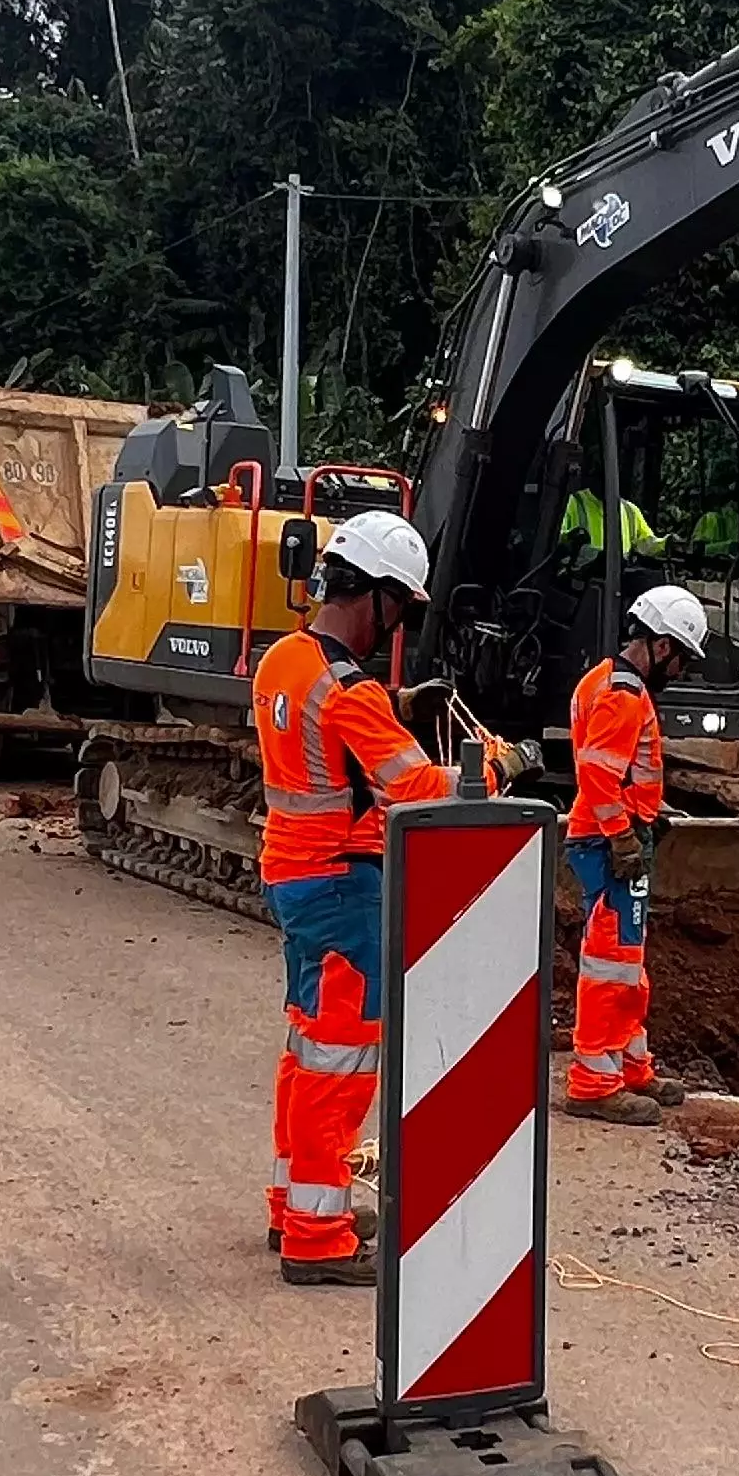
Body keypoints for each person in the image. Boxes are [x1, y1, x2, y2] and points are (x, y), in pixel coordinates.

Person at [253, 510, 455, 1285]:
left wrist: (393, 706)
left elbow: (325, 735)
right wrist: (501, 765)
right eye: (398, 605)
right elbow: (417, 788)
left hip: (293, 874)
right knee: (340, 1060)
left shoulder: (283, 661)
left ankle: (296, 1202)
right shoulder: (348, 689)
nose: (395, 623)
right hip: (342, 883)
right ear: (373, 594)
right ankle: (317, 1236)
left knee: (309, 1048)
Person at [561, 585, 707, 1121]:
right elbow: (598, 775)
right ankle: (594, 1084)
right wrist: (623, 834)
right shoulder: (624, 694)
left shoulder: (603, 680)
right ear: (663, 646)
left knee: (626, 963)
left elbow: (617, 771)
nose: (681, 671)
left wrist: (649, 808)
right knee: (610, 966)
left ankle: (629, 1066)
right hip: (608, 842)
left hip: (609, 835)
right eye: (683, 659)